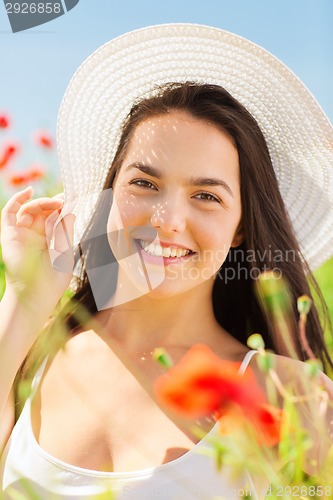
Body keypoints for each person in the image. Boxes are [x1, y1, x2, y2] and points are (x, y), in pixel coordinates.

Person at [1, 23, 333, 499]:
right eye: (145, 184)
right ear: (110, 194)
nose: (168, 220)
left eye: (206, 196)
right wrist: (25, 303)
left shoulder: (287, 394)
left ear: (240, 228)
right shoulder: (33, 352)